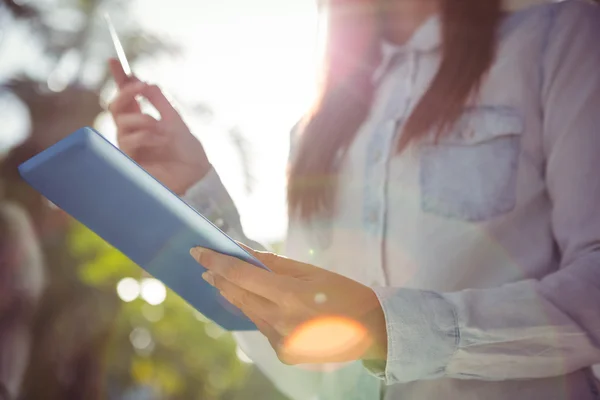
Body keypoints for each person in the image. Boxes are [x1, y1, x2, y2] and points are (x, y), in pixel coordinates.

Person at [107, 0, 600, 398]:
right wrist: (194, 189)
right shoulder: (313, 132)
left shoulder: (561, 37)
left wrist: (387, 328)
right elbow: (312, 370)